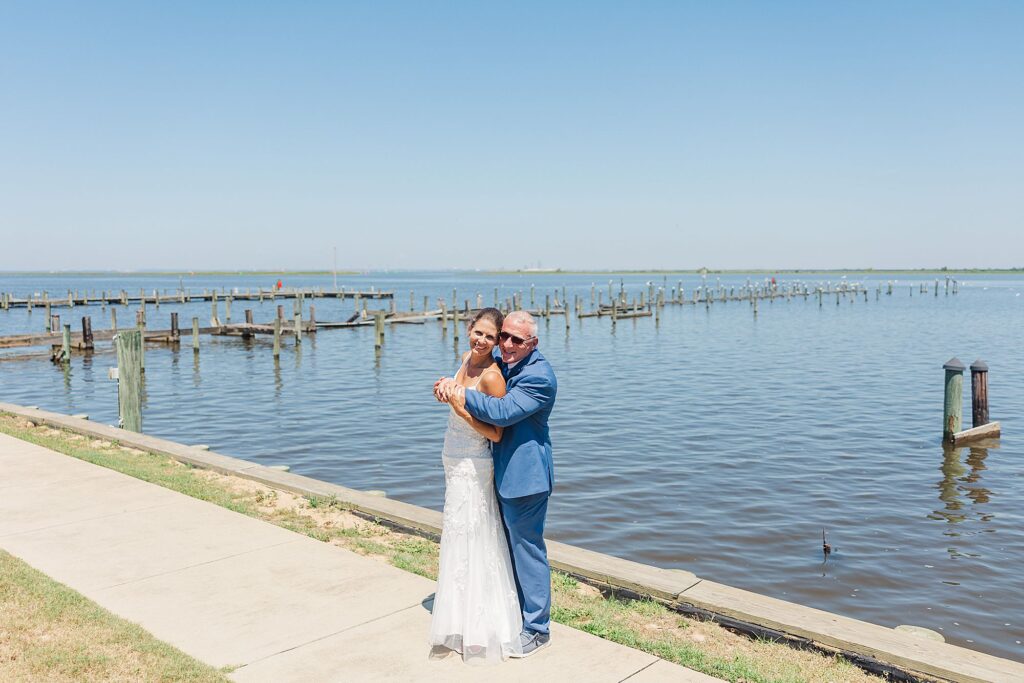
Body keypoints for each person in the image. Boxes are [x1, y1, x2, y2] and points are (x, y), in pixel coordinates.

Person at [435, 310, 557, 658]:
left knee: (527, 550)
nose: (506, 344)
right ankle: (512, 614)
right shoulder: (506, 364)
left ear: (532, 343)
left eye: (516, 340)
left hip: (525, 477)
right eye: (503, 336)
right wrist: (453, 383)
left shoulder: (539, 377)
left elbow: (502, 413)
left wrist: (458, 392)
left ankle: (537, 629)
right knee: (499, 547)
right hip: (493, 472)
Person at [428, 308, 523, 663]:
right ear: (468, 330)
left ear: (498, 340)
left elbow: (497, 433)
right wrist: (445, 387)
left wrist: (460, 407)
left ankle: (481, 623)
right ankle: (456, 616)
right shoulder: (466, 358)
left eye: (489, 336)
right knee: (456, 536)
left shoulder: (493, 377)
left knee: (475, 535)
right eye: (477, 332)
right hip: (451, 457)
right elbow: (457, 392)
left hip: (474, 463)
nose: (480, 341)